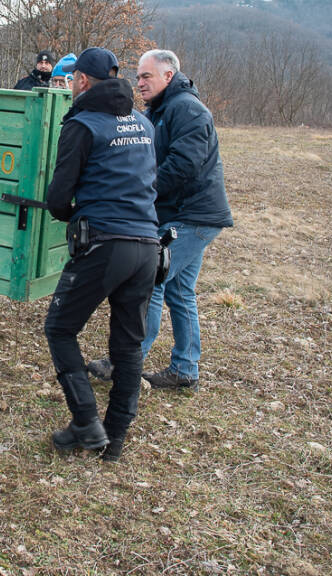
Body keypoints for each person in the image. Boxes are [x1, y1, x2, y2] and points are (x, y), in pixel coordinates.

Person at [88, 50, 233, 391]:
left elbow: (185, 164)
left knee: (148, 280)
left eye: (146, 77)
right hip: (184, 214)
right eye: (137, 77)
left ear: (168, 76)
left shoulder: (187, 109)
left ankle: (125, 362)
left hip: (193, 216)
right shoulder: (160, 110)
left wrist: (143, 190)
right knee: (180, 292)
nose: (139, 83)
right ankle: (185, 370)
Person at [42, 47, 160, 462]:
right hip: (147, 247)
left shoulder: (82, 124)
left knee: (59, 328)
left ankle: (86, 422)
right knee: (127, 348)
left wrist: (70, 214)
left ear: (84, 82)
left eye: (74, 77)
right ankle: (116, 440)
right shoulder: (143, 123)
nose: (71, 83)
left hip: (105, 245)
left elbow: (58, 197)